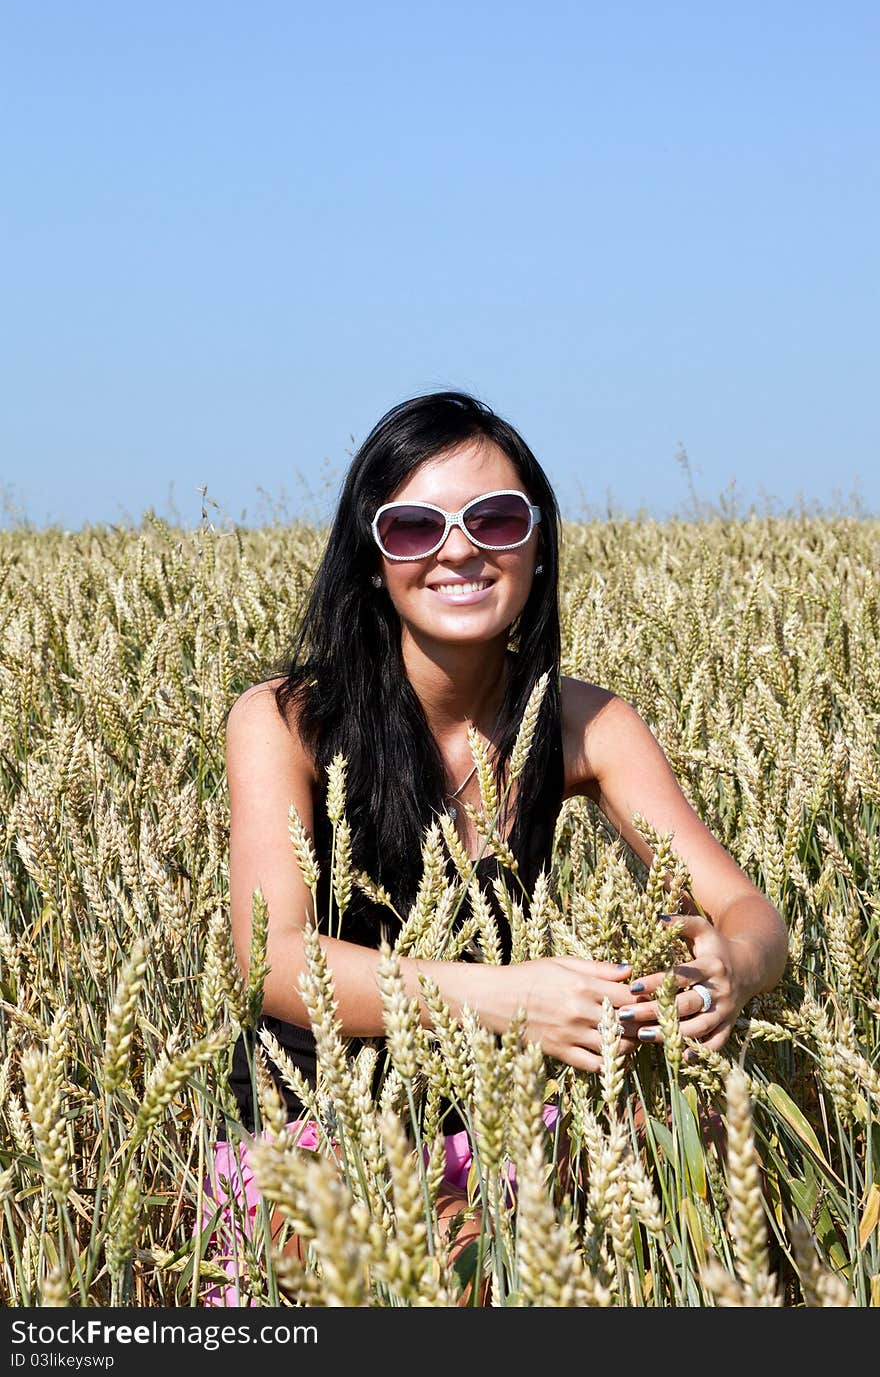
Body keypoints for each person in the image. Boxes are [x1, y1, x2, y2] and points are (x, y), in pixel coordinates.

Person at [200, 389, 789, 1305]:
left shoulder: (587, 725)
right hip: (313, 1136)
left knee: (693, 1132)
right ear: (370, 558)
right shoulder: (286, 721)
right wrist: (511, 999)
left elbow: (753, 915)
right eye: (413, 526)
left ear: (538, 541)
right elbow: (271, 960)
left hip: (503, 1129)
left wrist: (731, 965)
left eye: (496, 517)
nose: (460, 548)